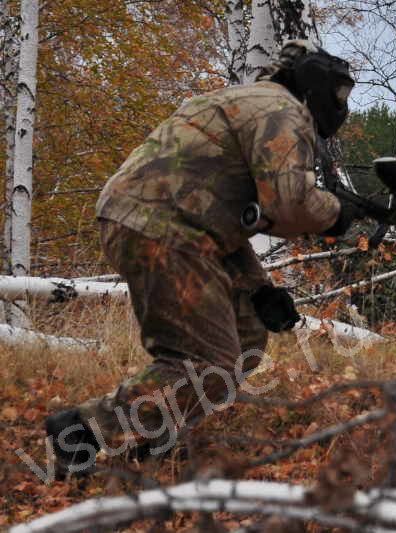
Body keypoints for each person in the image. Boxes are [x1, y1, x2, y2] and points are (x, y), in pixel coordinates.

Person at [44, 41, 362, 476]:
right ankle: (81, 429)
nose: (341, 105)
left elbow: (221, 214)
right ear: (315, 84)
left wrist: (259, 289)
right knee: (207, 362)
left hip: (164, 224)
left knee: (247, 335)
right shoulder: (282, 112)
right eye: (339, 93)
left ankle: (156, 444)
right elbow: (291, 204)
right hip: (162, 228)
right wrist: (338, 213)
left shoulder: (249, 102)